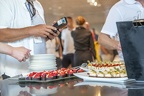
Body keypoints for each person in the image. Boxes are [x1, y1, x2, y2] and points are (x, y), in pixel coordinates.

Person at [0, 0, 59, 77]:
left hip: (39, 70)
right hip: (14, 72)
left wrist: (47, 35)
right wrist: (32, 30)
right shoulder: (6, 2)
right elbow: (1, 34)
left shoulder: (37, 5)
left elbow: (34, 39)